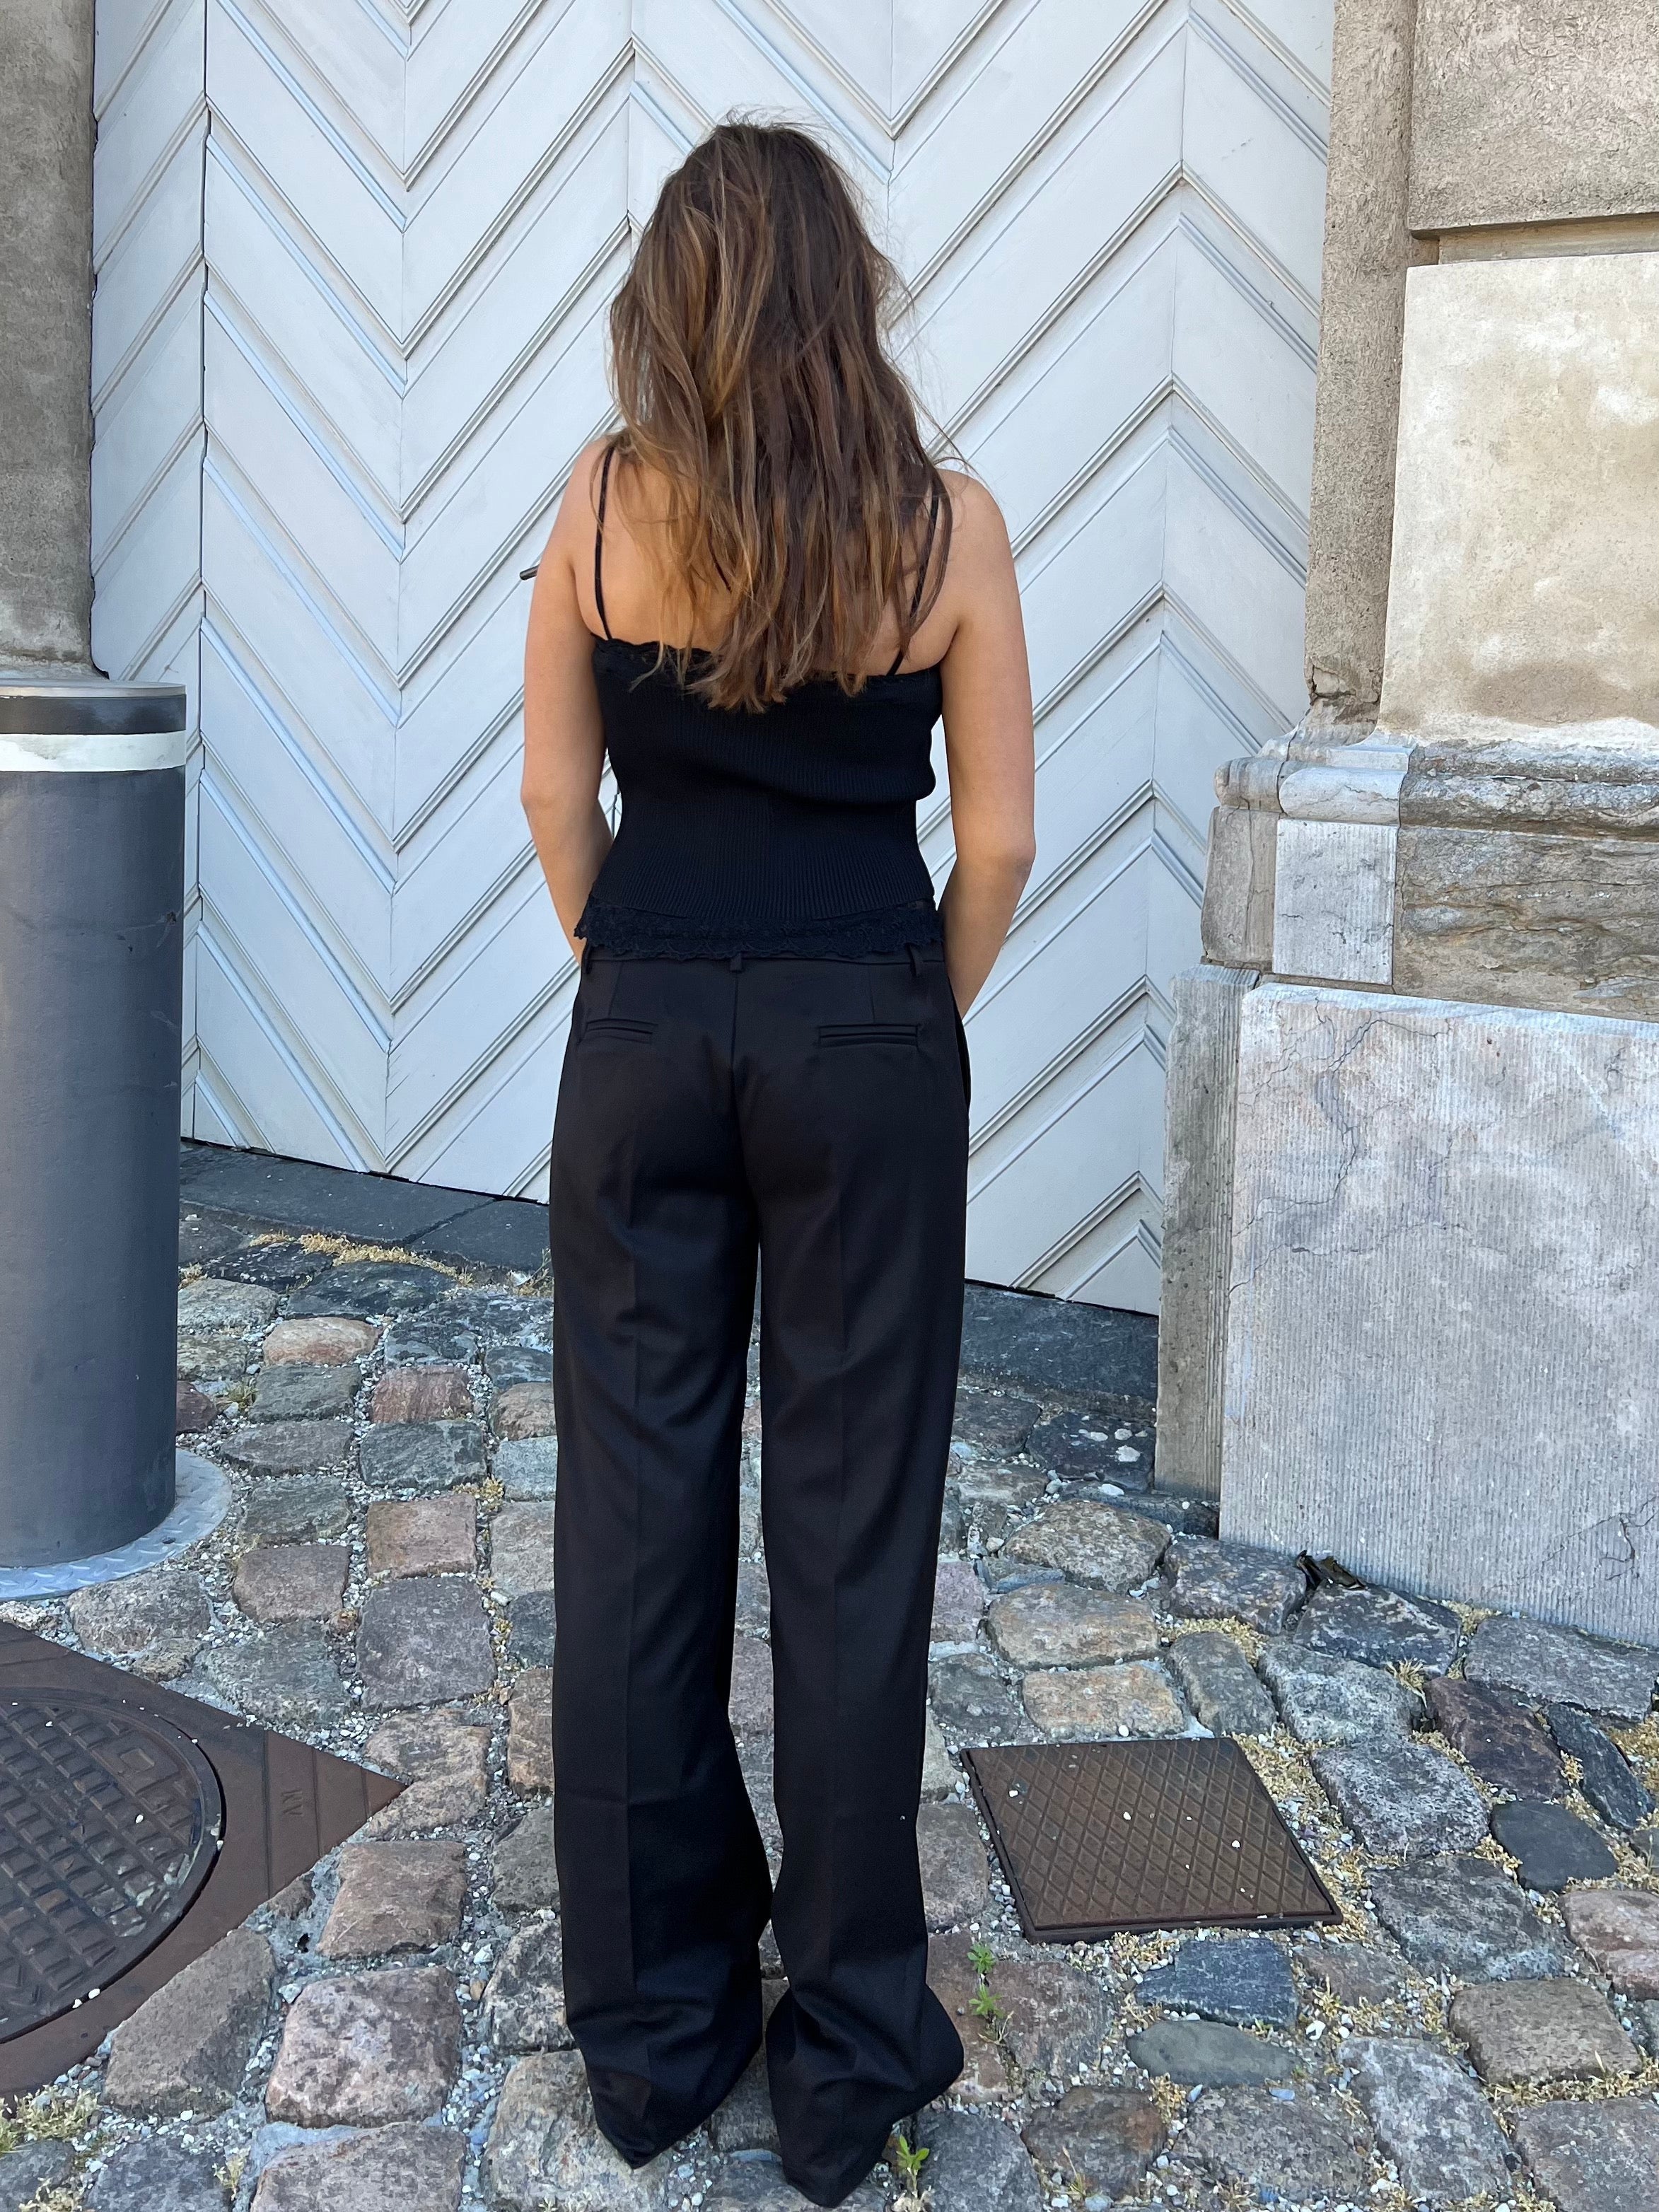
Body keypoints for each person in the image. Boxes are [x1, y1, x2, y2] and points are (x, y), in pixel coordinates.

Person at [520, 119, 1035, 2209]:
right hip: (864, 1035)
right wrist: (902, 1016)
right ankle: (842, 2057)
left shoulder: (602, 503)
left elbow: (554, 800)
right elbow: (995, 841)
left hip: (646, 1027)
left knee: (634, 1523)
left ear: (670, 305)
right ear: (848, 296)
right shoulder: (945, 527)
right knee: (848, 1538)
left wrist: (642, 974)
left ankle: (652, 2039)